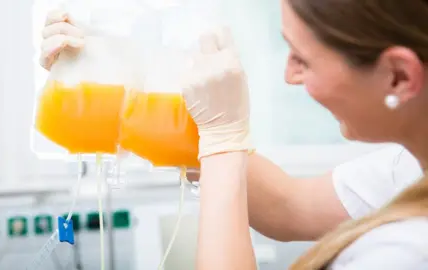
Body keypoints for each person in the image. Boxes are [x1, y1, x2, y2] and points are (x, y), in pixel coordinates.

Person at [39, 0, 428, 268]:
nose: (289, 75)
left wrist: (223, 140)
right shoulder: (408, 169)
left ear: (399, 75)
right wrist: (119, 81)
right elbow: (289, 207)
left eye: (302, 58)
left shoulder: (409, 249)